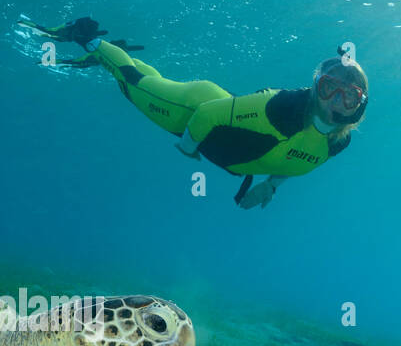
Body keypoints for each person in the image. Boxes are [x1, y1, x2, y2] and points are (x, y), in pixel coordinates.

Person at [25, 16, 368, 208]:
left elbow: (300, 156)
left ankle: (111, 54)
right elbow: (207, 114)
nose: (335, 102)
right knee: (133, 84)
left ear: (359, 107)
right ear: (315, 88)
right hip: (189, 111)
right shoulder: (284, 109)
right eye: (328, 88)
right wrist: (187, 149)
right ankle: (85, 38)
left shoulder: (338, 143)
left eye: (348, 97)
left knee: (143, 78)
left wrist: (271, 186)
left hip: (221, 117)